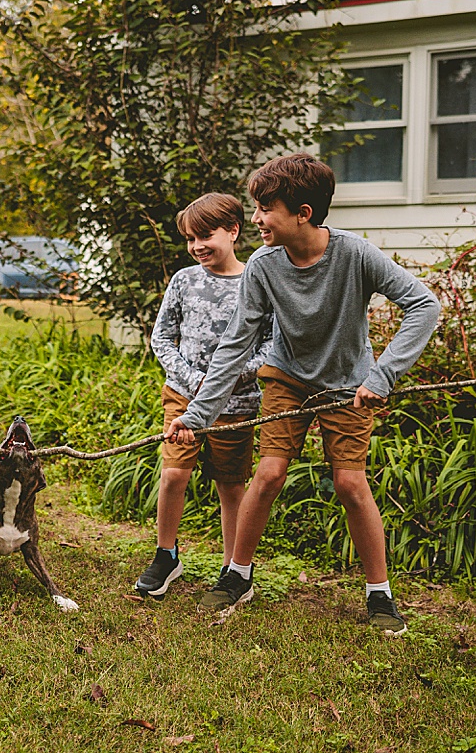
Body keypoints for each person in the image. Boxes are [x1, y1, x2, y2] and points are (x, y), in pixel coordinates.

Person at [167, 153, 441, 635]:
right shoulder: (264, 268)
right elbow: (237, 345)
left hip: (347, 382)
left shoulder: (355, 254)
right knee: (268, 473)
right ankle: (238, 575)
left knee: (350, 484)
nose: (255, 220)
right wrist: (198, 416)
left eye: (264, 209)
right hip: (287, 378)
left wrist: (382, 377)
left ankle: (379, 593)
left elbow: (423, 304)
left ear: (303, 213)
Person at [135, 193, 270, 599]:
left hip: (238, 403)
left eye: (205, 235)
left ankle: (234, 569)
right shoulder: (184, 280)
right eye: (190, 239)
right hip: (183, 397)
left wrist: (225, 380)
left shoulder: (258, 282)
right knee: (174, 473)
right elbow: (161, 338)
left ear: (233, 230)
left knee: (231, 486)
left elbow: (270, 349)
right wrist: (193, 380)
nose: (197, 246)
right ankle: (166, 554)